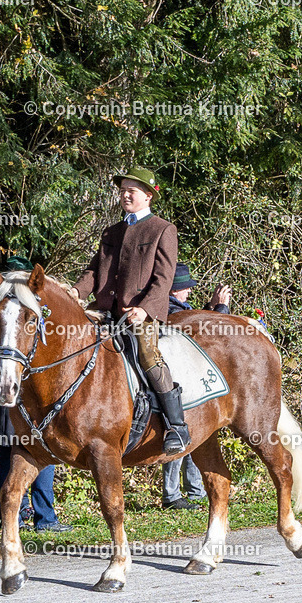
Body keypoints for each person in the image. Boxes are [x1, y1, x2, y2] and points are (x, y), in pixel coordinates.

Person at [69, 166, 190, 454]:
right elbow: (95, 270)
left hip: (140, 315)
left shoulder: (162, 229)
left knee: (148, 354)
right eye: (122, 190)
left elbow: (163, 278)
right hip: (104, 311)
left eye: (131, 191)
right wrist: (76, 291)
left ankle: (177, 426)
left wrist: (145, 309)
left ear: (148, 196)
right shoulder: (111, 231)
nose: (125, 195)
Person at [0, 255, 72, 533]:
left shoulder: (30, 309)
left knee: (38, 453)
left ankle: (42, 515)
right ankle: (1, 510)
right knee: (3, 453)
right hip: (2, 390)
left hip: (24, 393)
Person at [162, 263, 232, 508]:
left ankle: (194, 490)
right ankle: (172, 496)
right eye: (185, 289)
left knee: (196, 435)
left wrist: (212, 307)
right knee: (178, 435)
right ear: (174, 291)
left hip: (187, 379)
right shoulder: (170, 310)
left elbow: (197, 325)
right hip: (179, 382)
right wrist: (221, 309)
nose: (188, 293)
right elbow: (205, 334)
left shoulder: (177, 307)